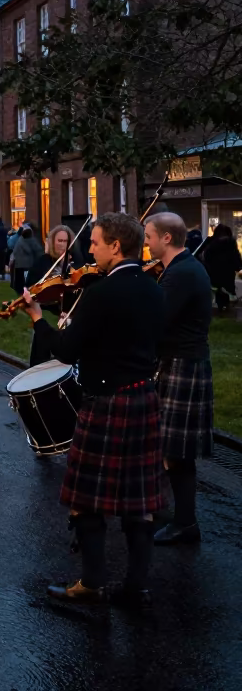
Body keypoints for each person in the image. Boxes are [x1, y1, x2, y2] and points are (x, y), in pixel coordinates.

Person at [22, 213, 165, 608]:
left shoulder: (101, 293)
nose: (91, 250)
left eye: (97, 243)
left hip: (107, 401)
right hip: (143, 398)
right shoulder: (156, 289)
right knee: (139, 501)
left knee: (87, 498)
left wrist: (37, 318)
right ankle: (138, 585)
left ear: (116, 247)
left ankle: (92, 582)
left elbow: (66, 350)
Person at [143, 213, 214, 546]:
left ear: (166, 238)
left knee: (176, 450)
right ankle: (173, 512)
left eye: (149, 236)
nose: (146, 242)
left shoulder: (181, 274)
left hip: (182, 364)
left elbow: (156, 319)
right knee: (170, 447)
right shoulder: (180, 269)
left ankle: (186, 523)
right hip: (181, 361)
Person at [26, 225, 77, 367]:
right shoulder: (43, 262)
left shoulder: (75, 262)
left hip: (69, 316)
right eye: (59, 240)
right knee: (42, 356)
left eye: (66, 241)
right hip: (47, 314)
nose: (62, 244)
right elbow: (30, 287)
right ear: (52, 242)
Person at [199, 223, 241, 314]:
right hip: (228, 272)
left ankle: (220, 308)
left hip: (213, 272)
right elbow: (236, 256)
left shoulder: (210, 242)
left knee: (217, 290)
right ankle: (226, 308)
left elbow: (204, 255)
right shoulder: (231, 242)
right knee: (228, 289)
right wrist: (238, 267)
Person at [10, 224, 44, 294]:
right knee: (26, 281)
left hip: (19, 265)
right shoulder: (31, 241)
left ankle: (21, 292)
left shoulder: (19, 241)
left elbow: (15, 252)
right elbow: (37, 251)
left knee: (20, 282)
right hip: (27, 265)